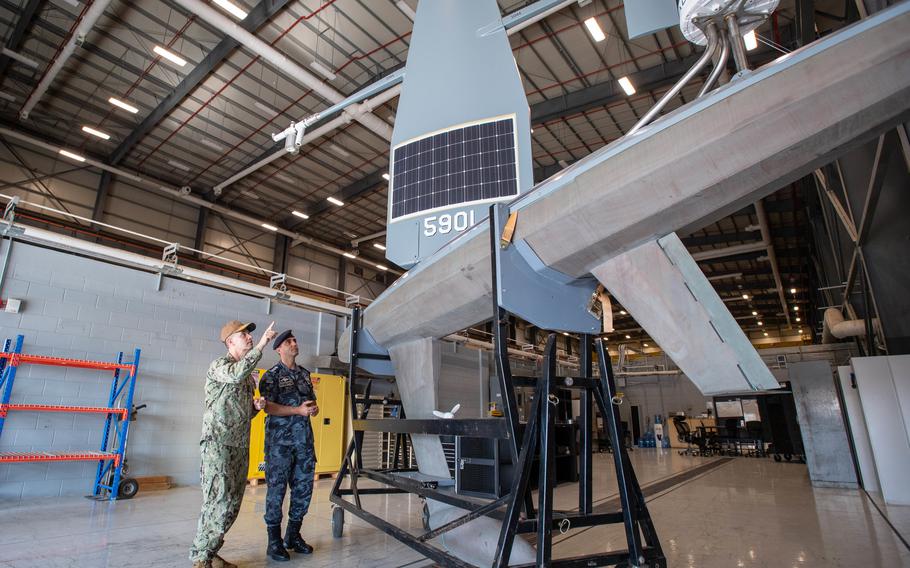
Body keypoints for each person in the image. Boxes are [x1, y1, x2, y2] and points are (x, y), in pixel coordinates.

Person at [190, 320, 276, 568]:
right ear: (231, 342)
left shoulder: (248, 380)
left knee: (232, 504)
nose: (250, 337)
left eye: (251, 334)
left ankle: (210, 550)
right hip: (218, 443)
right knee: (217, 499)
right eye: (245, 335)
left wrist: (255, 408)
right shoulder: (220, 366)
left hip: (239, 445)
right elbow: (238, 373)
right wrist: (263, 343)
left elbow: (241, 413)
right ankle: (201, 557)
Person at [259, 330, 320, 562]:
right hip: (280, 444)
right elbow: (269, 407)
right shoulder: (271, 376)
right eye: (288, 342)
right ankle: (274, 543)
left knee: (303, 489)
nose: (294, 343)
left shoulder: (305, 375)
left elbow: (311, 403)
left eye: (295, 340)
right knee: (276, 491)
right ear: (279, 349)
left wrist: (313, 410)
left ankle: (292, 536)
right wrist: (298, 411)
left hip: (304, 442)